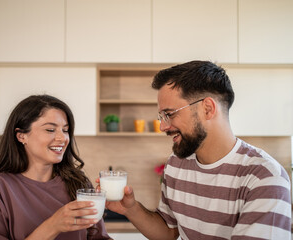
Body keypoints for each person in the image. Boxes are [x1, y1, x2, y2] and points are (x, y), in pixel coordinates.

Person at [103, 61, 291, 239]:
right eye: (161, 116)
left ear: (207, 108)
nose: (163, 126)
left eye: (169, 114)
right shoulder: (176, 164)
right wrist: (131, 208)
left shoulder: (264, 177)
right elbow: (168, 233)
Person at [0, 95, 111, 240]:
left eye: (65, 130)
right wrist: (53, 225)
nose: (62, 138)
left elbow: (99, 238)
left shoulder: (78, 182)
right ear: (21, 136)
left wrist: (130, 210)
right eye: (50, 130)